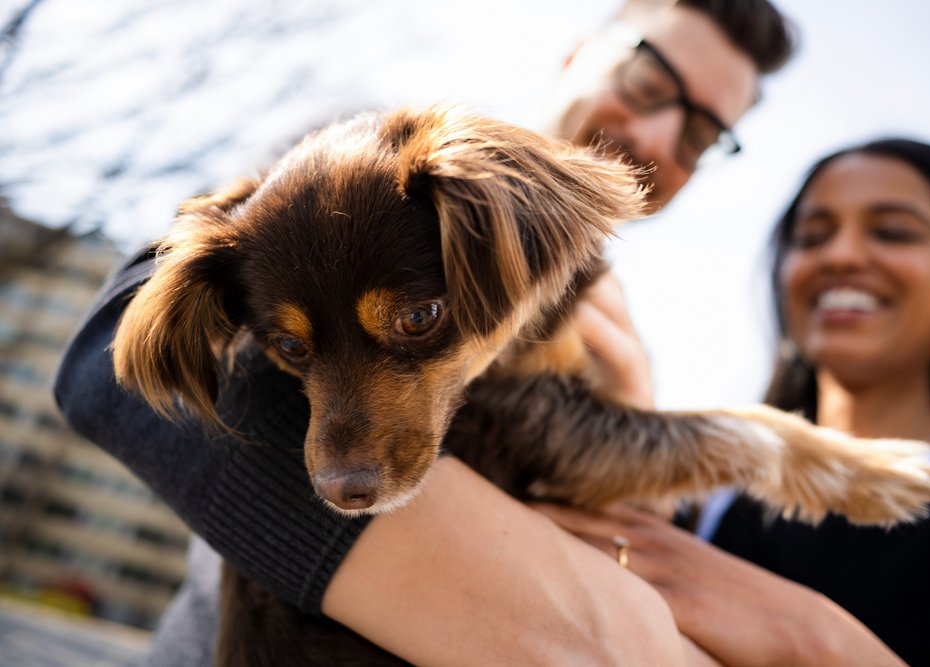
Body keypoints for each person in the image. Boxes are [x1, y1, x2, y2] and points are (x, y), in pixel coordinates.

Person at [52, 1, 825, 664]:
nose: (658, 138)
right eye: (647, 82)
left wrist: (630, 443)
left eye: (699, 137)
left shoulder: (616, 329)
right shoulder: (352, 171)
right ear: (577, 54)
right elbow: (107, 355)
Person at [540, 138, 930, 666]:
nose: (841, 255)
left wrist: (807, 635)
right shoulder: (711, 498)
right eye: (812, 237)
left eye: (893, 232)